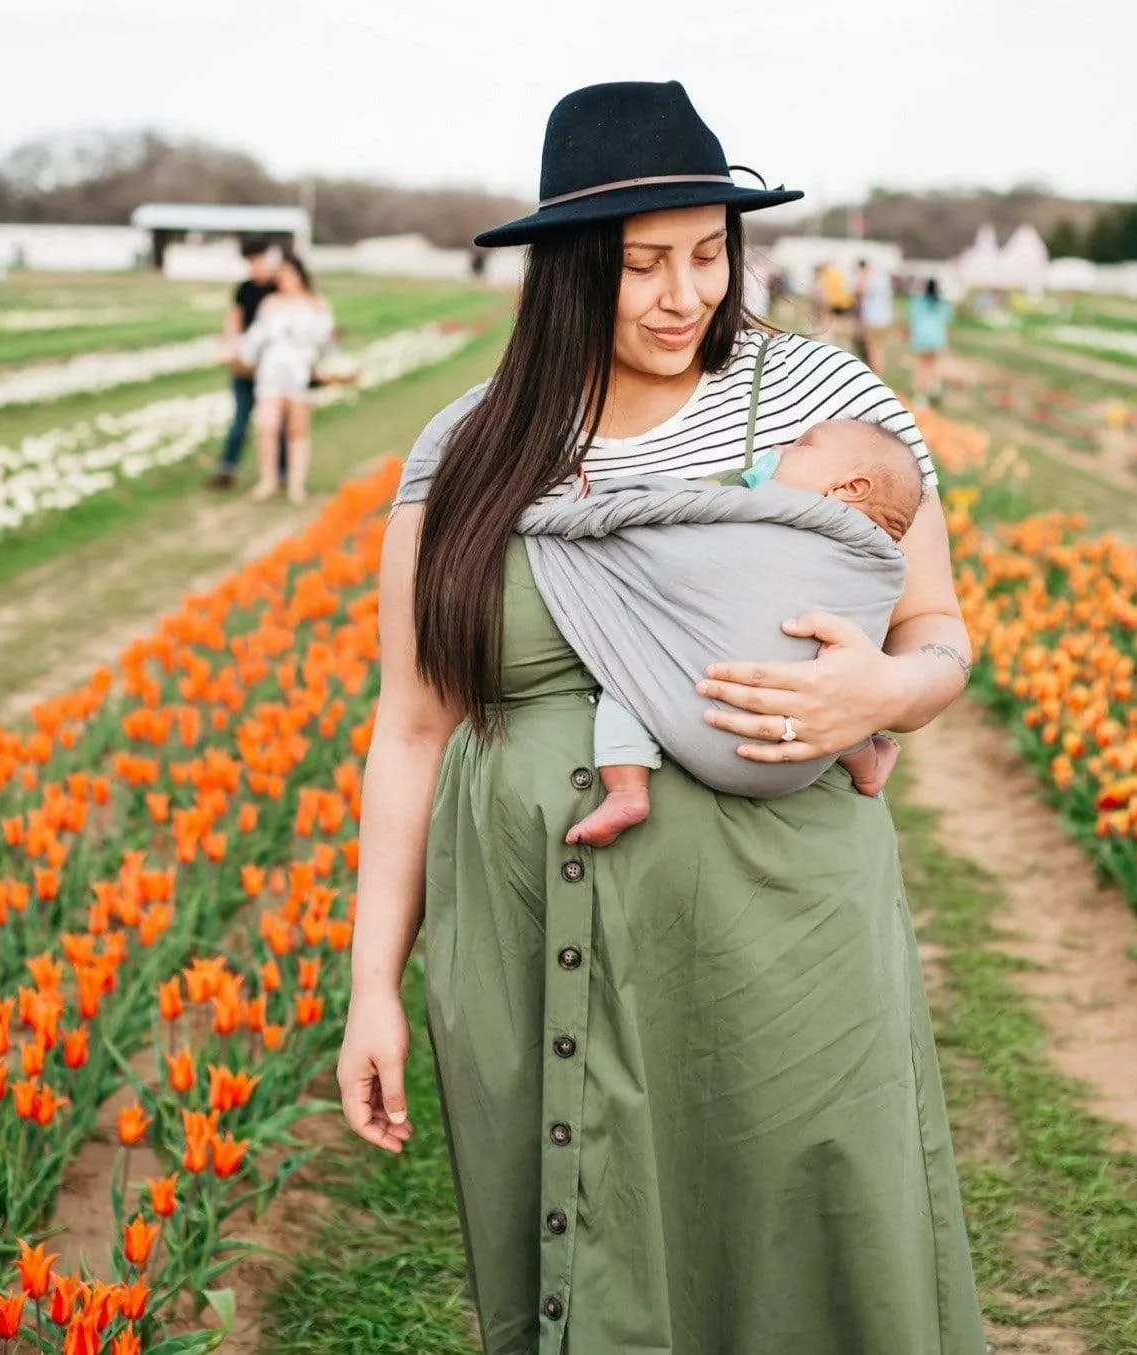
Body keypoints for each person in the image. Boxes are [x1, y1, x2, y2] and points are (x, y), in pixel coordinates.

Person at [337, 80, 985, 1354]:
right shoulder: (465, 450)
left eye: (707, 253)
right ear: (567, 272)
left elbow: (939, 636)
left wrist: (882, 691)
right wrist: (372, 985)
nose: (684, 294)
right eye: (641, 265)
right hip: (527, 927)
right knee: (585, 1248)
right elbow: (411, 725)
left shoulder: (816, 402)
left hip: (777, 931)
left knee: (808, 1239)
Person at [561, 417, 921, 847]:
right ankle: (863, 760)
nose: (782, 448)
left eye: (801, 445)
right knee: (830, 682)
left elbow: (694, 515)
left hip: (716, 704)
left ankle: (627, 789)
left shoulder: (770, 507)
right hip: (808, 751)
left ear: (850, 489)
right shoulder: (873, 560)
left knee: (632, 666)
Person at [237, 251, 334, 504]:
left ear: (300, 275)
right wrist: (241, 354)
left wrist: (324, 367)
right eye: (280, 275)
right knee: (267, 426)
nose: (283, 279)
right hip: (271, 372)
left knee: (296, 430)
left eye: (288, 274)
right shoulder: (270, 303)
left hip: (301, 373)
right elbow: (256, 337)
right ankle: (268, 480)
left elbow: (326, 342)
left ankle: (295, 485)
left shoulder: (316, 303)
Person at [207, 237, 288, 490]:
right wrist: (233, 348)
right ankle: (226, 469)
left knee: (278, 420)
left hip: (274, 364)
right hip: (247, 364)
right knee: (241, 417)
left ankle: (283, 472)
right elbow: (234, 320)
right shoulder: (244, 289)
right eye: (250, 262)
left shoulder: (280, 287)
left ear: (268, 258)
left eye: (258, 260)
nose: (255, 266)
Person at [907, 277, 955, 405]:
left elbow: (912, 320)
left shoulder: (917, 302)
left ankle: (921, 396)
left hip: (921, 340)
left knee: (921, 368)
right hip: (937, 340)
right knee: (932, 367)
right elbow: (948, 321)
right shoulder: (942, 304)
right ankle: (933, 388)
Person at [856, 256, 896, 375]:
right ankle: (880, 373)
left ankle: (876, 375)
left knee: (873, 350)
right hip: (885, 320)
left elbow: (860, 293)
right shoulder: (883, 279)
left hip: (872, 320)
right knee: (879, 349)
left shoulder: (868, 279)